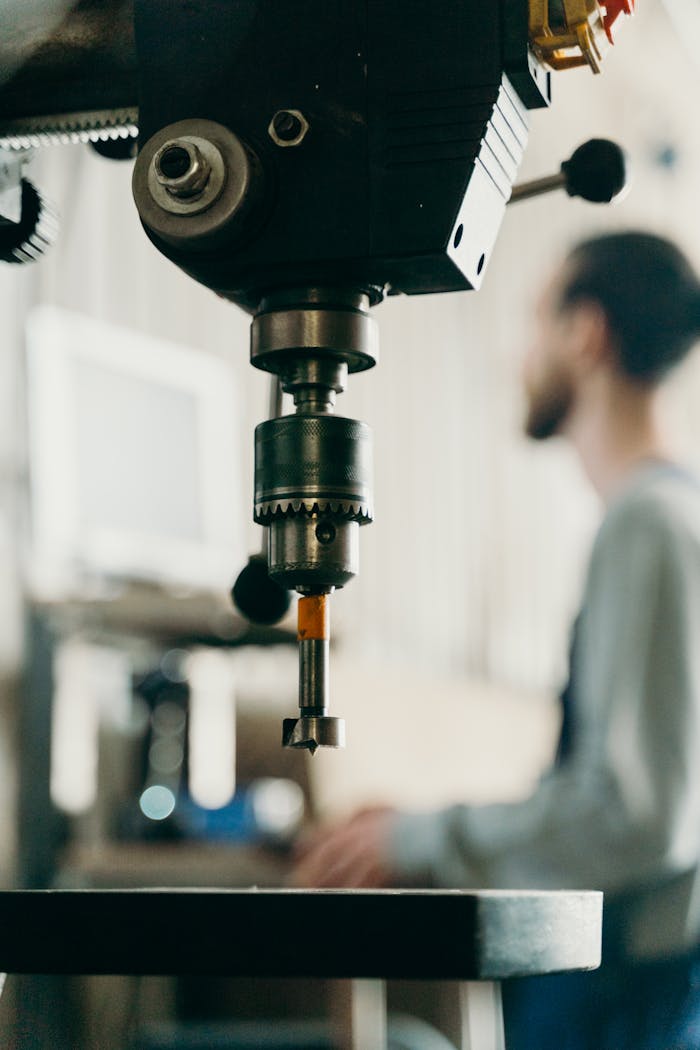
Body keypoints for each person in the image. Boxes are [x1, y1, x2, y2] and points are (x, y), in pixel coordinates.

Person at [293, 231, 700, 1049]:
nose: (521, 354)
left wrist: (417, 841)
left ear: (586, 335)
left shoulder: (648, 525)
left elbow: (636, 817)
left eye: (535, 320)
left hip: (625, 1002)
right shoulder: (668, 516)